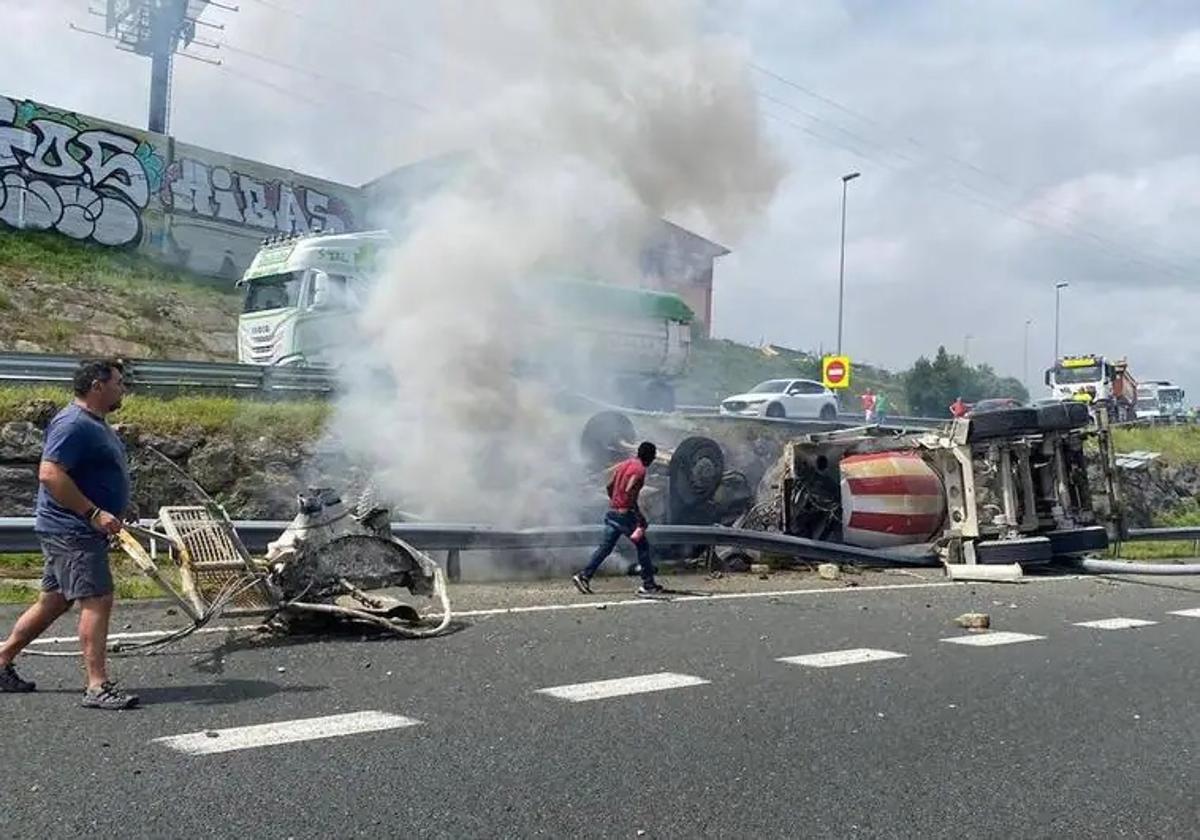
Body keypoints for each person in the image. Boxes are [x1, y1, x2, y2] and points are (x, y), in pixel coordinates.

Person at [0, 359, 138, 709]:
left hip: (75, 527)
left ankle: (1, 660)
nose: (123, 388)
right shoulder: (73, 424)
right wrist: (92, 512)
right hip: (72, 529)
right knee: (97, 598)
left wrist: (116, 506)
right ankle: (97, 686)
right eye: (118, 382)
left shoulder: (93, 424)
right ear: (97, 385)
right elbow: (49, 473)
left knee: (55, 601)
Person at [573, 441, 663, 597]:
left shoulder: (626, 464)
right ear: (648, 456)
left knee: (605, 548)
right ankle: (648, 584)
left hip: (613, 512)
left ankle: (584, 576)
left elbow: (609, 485)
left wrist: (615, 501)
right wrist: (638, 515)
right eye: (653, 456)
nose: (653, 459)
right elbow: (630, 490)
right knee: (642, 547)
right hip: (625, 516)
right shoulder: (640, 470)